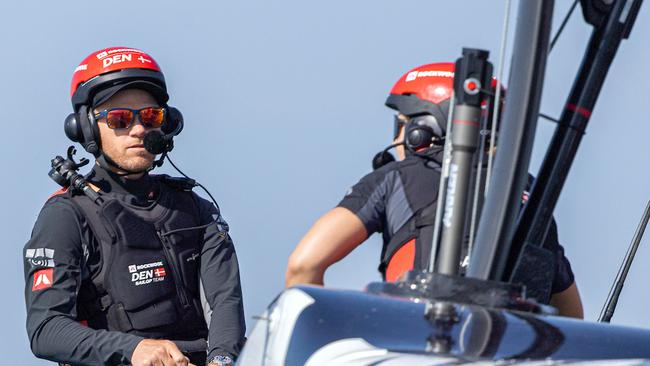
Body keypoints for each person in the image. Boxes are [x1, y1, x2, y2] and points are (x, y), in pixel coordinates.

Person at [285, 62, 584, 318]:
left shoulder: (396, 178)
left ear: (423, 129)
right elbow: (572, 316)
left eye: (401, 125)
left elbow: (304, 265)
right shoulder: (529, 192)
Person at [23, 47, 245, 366]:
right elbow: (46, 330)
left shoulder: (197, 209)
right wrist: (135, 350)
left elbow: (225, 301)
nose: (139, 129)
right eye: (120, 119)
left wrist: (221, 359)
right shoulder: (65, 216)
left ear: (167, 125)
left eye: (151, 116)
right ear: (86, 128)